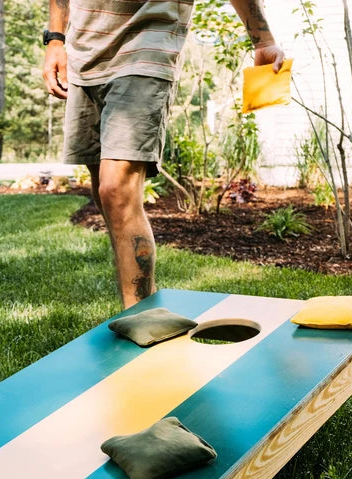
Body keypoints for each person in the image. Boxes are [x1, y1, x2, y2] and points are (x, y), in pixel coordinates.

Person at [43, 0, 284, 309]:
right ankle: (142, 305)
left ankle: (142, 317)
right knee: (104, 191)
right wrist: (55, 40)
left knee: (115, 188)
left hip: (148, 46)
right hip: (84, 54)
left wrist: (263, 40)